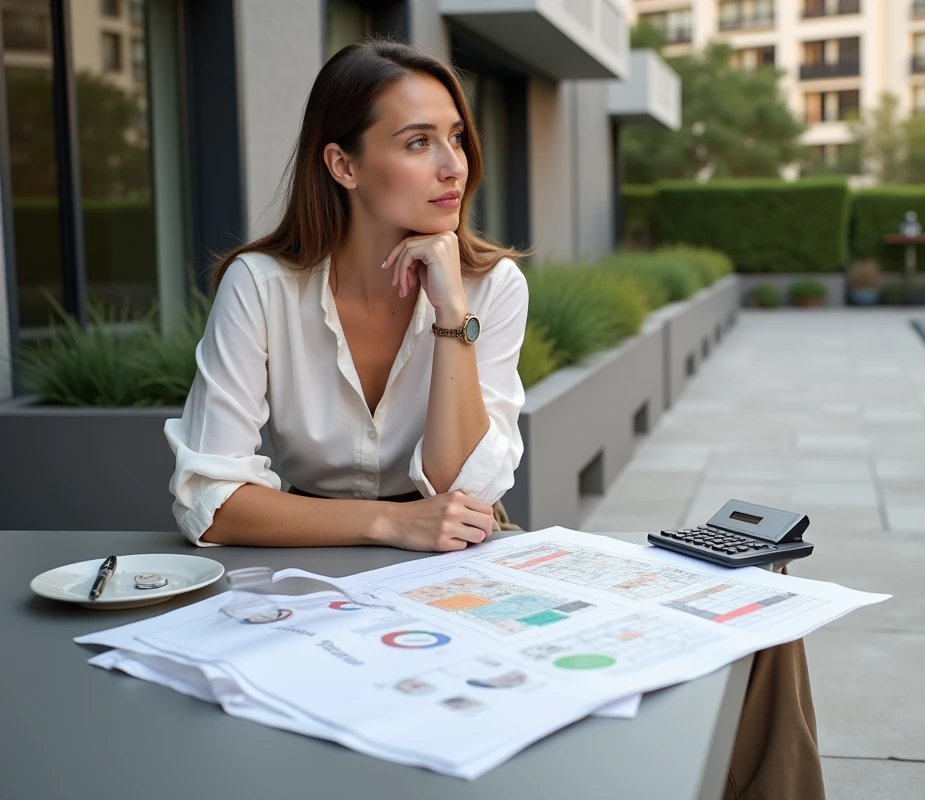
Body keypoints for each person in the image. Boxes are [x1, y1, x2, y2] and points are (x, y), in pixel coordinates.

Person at [164, 36, 823, 800]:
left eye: (456, 139)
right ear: (343, 166)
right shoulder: (260, 286)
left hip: (466, 545)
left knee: (744, 618)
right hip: (320, 560)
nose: (454, 166)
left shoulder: (492, 286)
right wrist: (387, 524)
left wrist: (452, 314)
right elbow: (209, 506)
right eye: (418, 143)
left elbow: (460, 481)